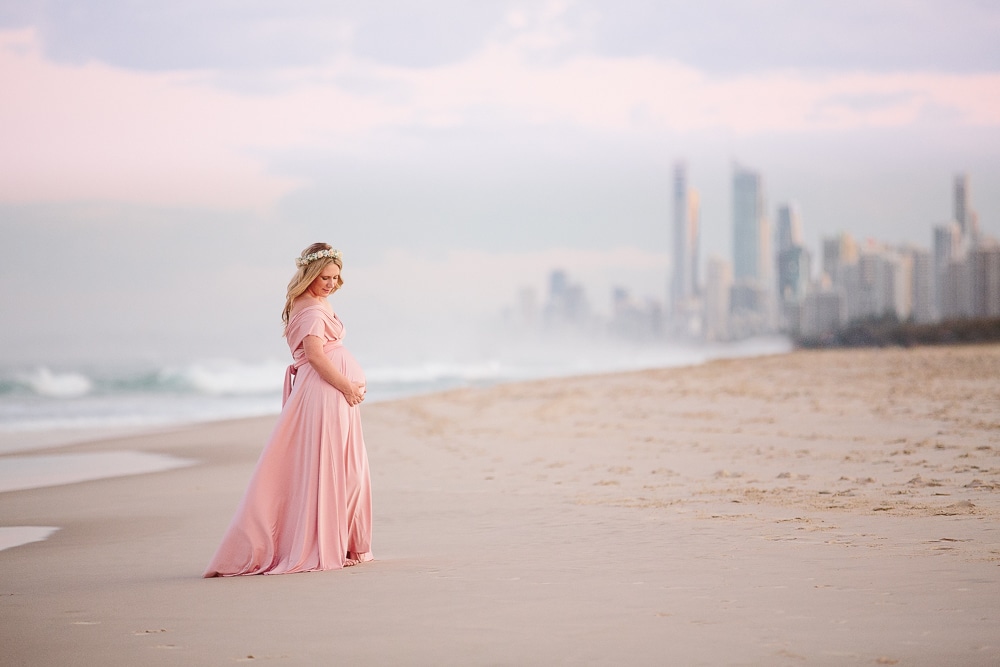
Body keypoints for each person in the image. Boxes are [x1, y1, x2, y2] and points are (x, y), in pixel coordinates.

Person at [203, 242, 374, 576]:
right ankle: (331, 544)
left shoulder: (313, 302)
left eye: (335, 277)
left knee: (347, 469)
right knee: (336, 468)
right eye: (324, 276)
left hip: (331, 394)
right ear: (309, 273)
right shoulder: (310, 309)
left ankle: (344, 541)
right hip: (326, 394)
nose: (330, 283)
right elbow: (315, 355)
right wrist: (347, 386)